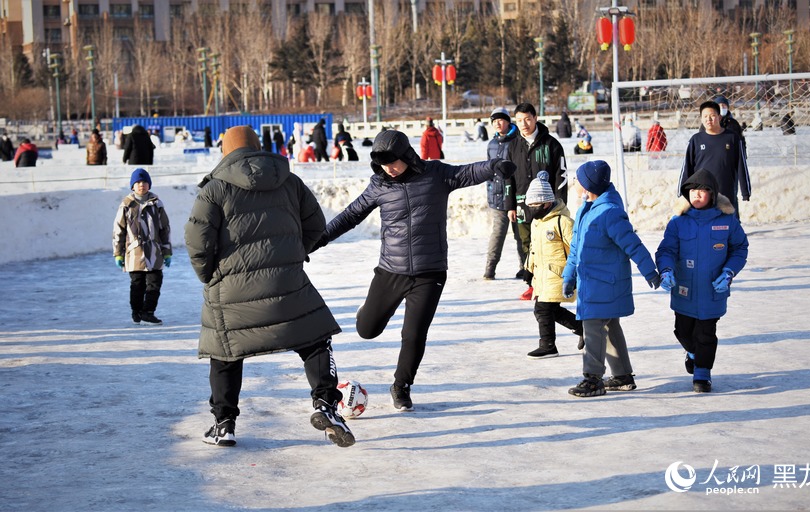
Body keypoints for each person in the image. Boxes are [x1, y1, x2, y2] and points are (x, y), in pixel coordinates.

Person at [311, 129, 515, 411]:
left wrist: (494, 166)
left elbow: (469, 172)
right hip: (390, 271)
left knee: (414, 334)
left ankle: (401, 386)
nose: (389, 169)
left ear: (407, 155)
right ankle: (367, 311)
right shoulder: (379, 185)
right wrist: (319, 240)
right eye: (383, 164)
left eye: (393, 162)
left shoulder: (436, 174)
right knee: (367, 330)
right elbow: (350, 215)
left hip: (429, 272)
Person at [184, 125, 354, 448]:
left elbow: (197, 240)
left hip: (230, 290)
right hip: (287, 284)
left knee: (224, 352)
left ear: (225, 151)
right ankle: (325, 403)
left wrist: (209, 274)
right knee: (316, 339)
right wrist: (294, 254)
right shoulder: (289, 180)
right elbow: (317, 224)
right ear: (258, 146)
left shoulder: (214, 189)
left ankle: (224, 424)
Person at [561, 160, 661, 397]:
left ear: (588, 186)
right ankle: (622, 375)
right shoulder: (586, 209)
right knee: (609, 326)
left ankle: (593, 379)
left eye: (578, 180)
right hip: (592, 283)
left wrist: (650, 272)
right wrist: (569, 276)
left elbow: (633, 245)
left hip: (605, 284)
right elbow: (576, 248)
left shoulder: (609, 213)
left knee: (593, 328)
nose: (574, 183)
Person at [655, 169, 749, 393]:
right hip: (685, 289)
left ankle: (702, 374)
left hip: (712, 290)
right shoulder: (678, 222)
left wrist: (728, 273)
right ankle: (693, 353)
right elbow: (666, 249)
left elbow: (739, 248)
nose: (696, 195)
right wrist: (666, 270)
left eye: (703, 191)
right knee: (683, 331)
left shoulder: (727, 221)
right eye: (692, 191)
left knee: (706, 334)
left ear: (713, 194)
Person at [506, 102, 568, 301]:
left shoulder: (552, 145)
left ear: (535, 118)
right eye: (519, 121)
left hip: (548, 206)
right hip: (522, 204)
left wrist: (560, 203)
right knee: (526, 244)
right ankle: (532, 284)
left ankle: (549, 282)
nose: (524, 124)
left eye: (527, 119)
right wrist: (510, 205)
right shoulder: (512, 146)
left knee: (546, 244)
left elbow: (562, 176)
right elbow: (507, 178)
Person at [523, 171, 582, 359]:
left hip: (558, 275)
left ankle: (548, 345)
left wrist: (575, 273)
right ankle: (584, 329)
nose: (532, 209)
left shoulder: (562, 221)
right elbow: (533, 248)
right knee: (552, 310)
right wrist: (528, 268)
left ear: (547, 203)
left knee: (542, 309)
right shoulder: (537, 222)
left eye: (535, 205)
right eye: (529, 206)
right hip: (542, 276)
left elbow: (577, 247)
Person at [113, 168, 172, 326]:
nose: (142, 185)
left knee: (155, 282)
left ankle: (148, 312)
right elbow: (119, 230)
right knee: (137, 284)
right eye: (138, 182)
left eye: (145, 182)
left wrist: (167, 252)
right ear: (132, 186)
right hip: (134, 252)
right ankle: (136, 311)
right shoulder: (126, 205)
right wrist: (118, 254)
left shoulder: (157, 204)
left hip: (154, 251)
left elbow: (164, 229)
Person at [680, 100, 751, 215]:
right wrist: (682, 191)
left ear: (719, 117)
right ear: (701, 119)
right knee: (704, 226)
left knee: (728, 227)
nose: (709, 119)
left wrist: (745, 190)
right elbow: (687, 167)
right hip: (702, 194)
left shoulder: (732, 138)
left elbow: (741, 165)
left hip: (726, 192)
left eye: (712, 116)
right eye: (705, 116)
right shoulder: (696, 140)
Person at [483, 107, 524, 281]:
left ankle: (525, 267)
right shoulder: (491, 144)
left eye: (501, 120)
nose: (498, 124)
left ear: (508, 121)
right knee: (498, 233)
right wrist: (490, 187)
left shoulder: (517, 141)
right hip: (497, 196)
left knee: (520, 233)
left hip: (516, 195)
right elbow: (488, 168)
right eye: (494, 121)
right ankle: (490, 268)